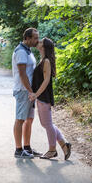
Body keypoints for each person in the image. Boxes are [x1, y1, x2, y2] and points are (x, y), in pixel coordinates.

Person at [29, 37, 71, 160]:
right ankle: (64, 145)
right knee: (46, 124)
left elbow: (46, 81)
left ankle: (52, 150)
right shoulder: (43, 60)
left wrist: (36, 94)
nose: (38, 42)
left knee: (47, 124)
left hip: (44, 96)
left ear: (44, 47)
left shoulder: (46, 61)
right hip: (41, 96)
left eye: (41, 42)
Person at [12, 28, 42, 159]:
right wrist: (30, 91)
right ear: (27, 38)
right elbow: (22, 74)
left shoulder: (28, 51)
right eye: (35, 38)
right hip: (24, 91)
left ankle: (27, 148)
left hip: (29, 91)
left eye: (37, 38)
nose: (37, 40)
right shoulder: (21, 52)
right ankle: (18, 150)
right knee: (20, 119)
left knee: (29, 120)